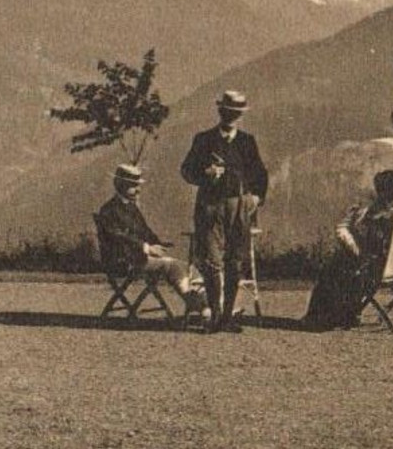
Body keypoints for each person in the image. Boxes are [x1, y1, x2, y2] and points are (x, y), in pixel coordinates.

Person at [180, 90, 269, 334]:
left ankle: (228, 316)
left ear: (240, 115)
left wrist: (255, 199)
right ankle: (215, 315)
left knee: (235, 261)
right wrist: (205, 174)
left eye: (236, 113)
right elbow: (186, 171)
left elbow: (260, 175)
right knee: (211, 261)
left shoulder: (246, 141)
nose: (231, 116)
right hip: (210, 205)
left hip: (239, 206)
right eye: (228, 112)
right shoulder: (203, 140)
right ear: (220, 112)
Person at [302, 169, 393, 331]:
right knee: (340, 265)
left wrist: (373, 216)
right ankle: (344, 313)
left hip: (378, 266)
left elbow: (389, 219)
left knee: (334, 269)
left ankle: (328, 315)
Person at [95, 163, 206, 316]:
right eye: (133, 186)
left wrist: (156, 243)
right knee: (172, 266)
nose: (138, 189)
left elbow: (145, 231)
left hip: (137, 257)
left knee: (188, 267)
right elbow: (119, 236)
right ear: (120, 185)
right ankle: (199, 306)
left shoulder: (130, 207)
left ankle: (208, 305)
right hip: (122, 261)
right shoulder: (108, 210)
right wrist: (146, 247)